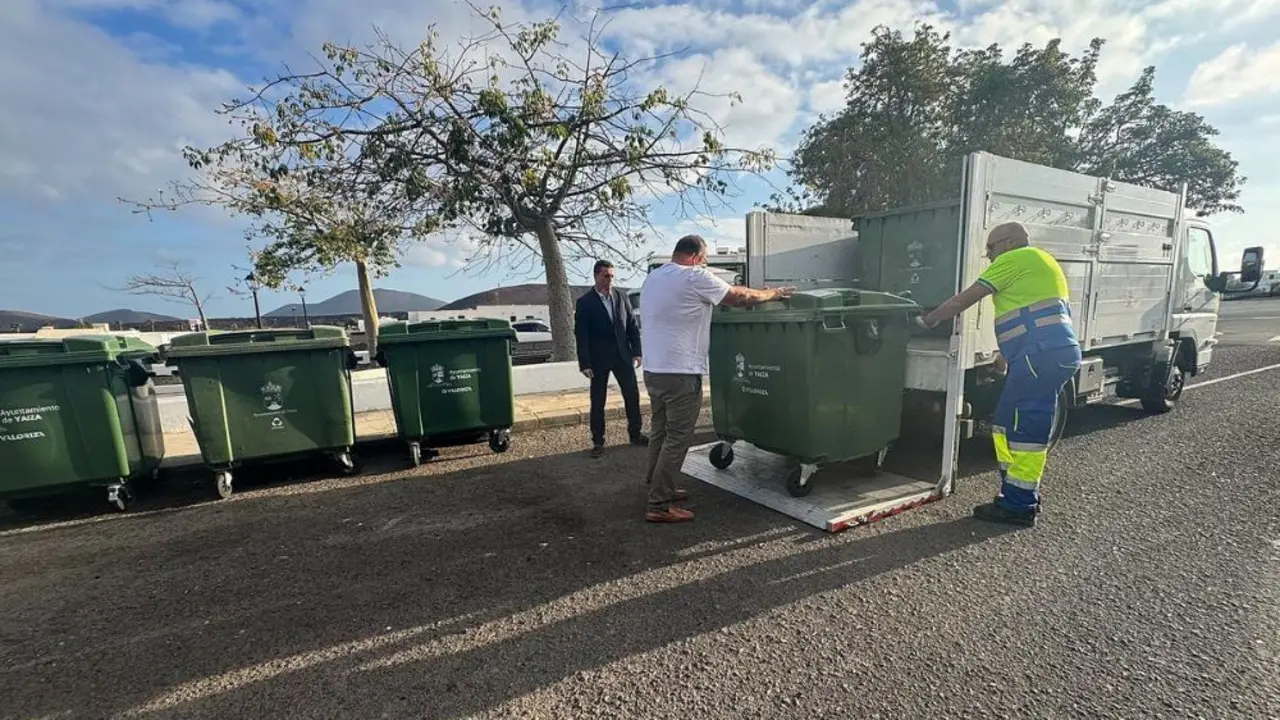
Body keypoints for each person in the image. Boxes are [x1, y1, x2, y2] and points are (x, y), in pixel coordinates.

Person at [914, 221, 1083, 527]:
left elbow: (966, 298)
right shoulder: (1044, 262)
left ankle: (1020, 505)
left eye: (990, 248)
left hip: (1038, 356)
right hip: (1048, 354)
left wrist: (929, 320)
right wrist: (1004, 358)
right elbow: (1031, 315)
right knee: (1005, 422)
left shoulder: (1014, 259)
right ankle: (1018, 494)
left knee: (1024, 428)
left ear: (1007, 242)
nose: (989, 255)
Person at [639, 234, 795, 523]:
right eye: (706, 260)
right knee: (678, 438)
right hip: (681, 372)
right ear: (697, 256)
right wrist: (773, 293)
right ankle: (659, 504)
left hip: (654, 370)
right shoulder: (694, 276)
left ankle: (657, 484)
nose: (706, 264)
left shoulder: (654, 279)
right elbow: (740, 297)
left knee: (660, 431)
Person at [575, 259, 647, 458]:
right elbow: (581, 335)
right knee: (598, 402)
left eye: (612, 276)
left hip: (623, 356)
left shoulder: (621, 297)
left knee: (632, 396)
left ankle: (635, 434)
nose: (610, 280)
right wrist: (585, 363)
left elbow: (632, 325)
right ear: (596, 276)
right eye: (606, 276)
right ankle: (598, 442)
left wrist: (637, 351)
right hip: (598, 360)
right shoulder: (585, 302)